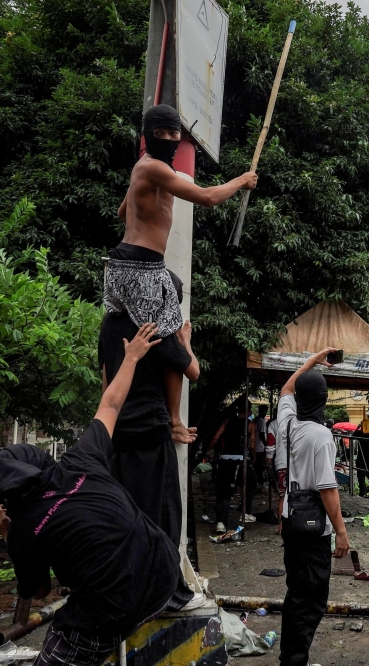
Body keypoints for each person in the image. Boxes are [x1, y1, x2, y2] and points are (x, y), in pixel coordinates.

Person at [0, 323, 206, 666]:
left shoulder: (25, 527)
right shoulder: (79, 458)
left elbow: (40, 591)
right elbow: (112, 404)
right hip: (162, 575)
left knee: (67, 639)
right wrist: (131, 357)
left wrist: (7, 533)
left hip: (115, 604)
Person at [105, 104, 256, 440]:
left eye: (175, 133)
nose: (170, 138)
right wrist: (242, 181)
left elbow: (121, 211)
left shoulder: (143, 168)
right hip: (142, 268)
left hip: (123, 265)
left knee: (172, 285)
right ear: (148, 136)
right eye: (162, 133)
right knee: (174, 342)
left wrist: (146, 210)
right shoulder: (156, 168)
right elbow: (206, 198)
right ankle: (175, 421)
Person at [98, 310, 200, 546]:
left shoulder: (110, 322)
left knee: (121, 522)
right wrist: (185, 341)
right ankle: (176, 422)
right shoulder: (156, 321)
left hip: (117, 433)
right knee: (161, 527)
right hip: (151, 433)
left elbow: (106, 381)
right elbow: (191, 369)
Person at [274, 349, 349, 666]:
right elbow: (328, 490)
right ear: (324, 399)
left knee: (296, 593)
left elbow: (285, 390)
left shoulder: (287, 425)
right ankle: (294, 658)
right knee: (313, 598)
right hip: (314, 529)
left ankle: (291, 655)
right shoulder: (321, 436)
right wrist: (342, 531)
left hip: (290, 521)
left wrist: (314, 360)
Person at [210, 403, 258, 531]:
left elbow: (215, 437)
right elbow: (252, 446)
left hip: (226, 459)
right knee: (251, 483)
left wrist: (208, 451)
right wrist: (253, 458)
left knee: (223, 491)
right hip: (242, 460)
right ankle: (246, 511)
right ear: (248, 410)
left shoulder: (227, 421)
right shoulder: (251, 425)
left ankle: (221, 522)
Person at [253, 404, 269, 486]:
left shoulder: (255, 419)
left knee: (256, 466)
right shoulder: (262, 421)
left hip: (255, 446)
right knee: (260, 466)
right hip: (260, 447)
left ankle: (258, 482)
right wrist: (266, 445)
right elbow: (262, 434)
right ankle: (260, 483)